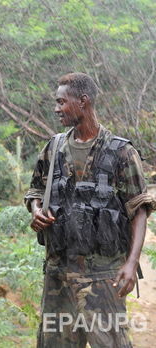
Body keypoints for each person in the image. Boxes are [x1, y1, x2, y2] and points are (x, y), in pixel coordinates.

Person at [25, 72, 156, 348]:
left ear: (83, 102)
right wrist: (36, 210)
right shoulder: (54, 147)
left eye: (62, 102)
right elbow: (35, 191)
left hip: (103, 277)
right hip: (58, 274)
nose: (56, 109)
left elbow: (139, 209)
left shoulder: (121, 152)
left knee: (110, 343)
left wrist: (131, 264)